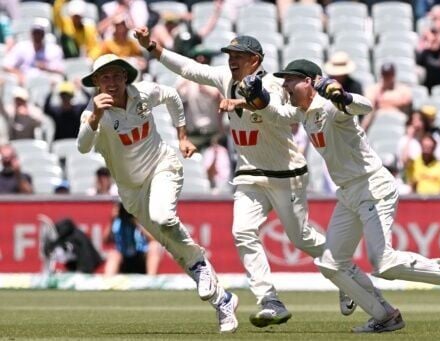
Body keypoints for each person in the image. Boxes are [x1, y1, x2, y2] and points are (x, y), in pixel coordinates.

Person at [236, 58, 440, 333]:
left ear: (310, 81)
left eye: (290, 80)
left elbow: (364, 106)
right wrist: (258, 97)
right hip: (348, 193)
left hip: (373, 187)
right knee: (330, 263)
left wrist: (342, 96)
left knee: (382, 263)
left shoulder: (331, 107)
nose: (286, 85)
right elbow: (276, 114)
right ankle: (385, 316)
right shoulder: (304, 111)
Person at [133, 29, 346, 328]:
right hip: (249, 174)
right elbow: (189, 68)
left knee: (302, 238)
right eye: (230, 55)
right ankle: (269, 300)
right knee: (242, 231)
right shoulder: (224, 79)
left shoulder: (273, 83)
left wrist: (246, 102)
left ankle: (346, 277)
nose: (231, 61)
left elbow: (293, 115)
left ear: (255, 59)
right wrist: (153, 48)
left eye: (238, 56)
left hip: (286, 174)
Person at [76, 53, 238, 333]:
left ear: (125, 76)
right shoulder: (93, 114)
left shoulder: (143, 93)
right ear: (96, 83)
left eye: (116, 75)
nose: (111, 82)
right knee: (172, 245)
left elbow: (172, 95)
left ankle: (201, 267)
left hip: (162, 166)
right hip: (131, 191)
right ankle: (223, 301)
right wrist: (96, 116)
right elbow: (82, 147)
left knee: (163, 217)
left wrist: (182, 136)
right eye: (104, 77)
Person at [104, 202, 162, 275]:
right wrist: (112, 220)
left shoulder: (141, 220)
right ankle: (108, 282)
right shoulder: (116, 222)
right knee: (113, 254)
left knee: (154, 247)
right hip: (124, 258)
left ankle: (151, 279)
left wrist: (136, 221)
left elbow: (154, 239)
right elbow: (105, 241)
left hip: (140, 257)